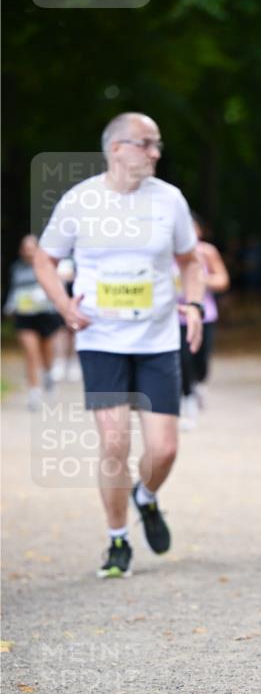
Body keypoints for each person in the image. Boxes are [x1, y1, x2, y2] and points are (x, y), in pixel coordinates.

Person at [33, 112, 205, 578]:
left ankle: (145, 497)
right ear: (115, 148)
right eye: (145, 144)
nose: (155, 152)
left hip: (156, 338)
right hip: (101, 339)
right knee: (113, 444)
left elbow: (191, 261)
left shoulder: (168, 200)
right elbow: (45, 260)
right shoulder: (80, 201)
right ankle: (117, 541)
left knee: (164, 449)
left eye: (157, 145)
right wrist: (65, 306)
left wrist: (191, 305)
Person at [177, 213, 230, 429]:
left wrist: (200, 279)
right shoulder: (170, 252)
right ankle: (186, 400)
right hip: (176, 316)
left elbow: (222, 280)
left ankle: (198, 384)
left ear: (200, 230)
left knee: (200, 360)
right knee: (182, 359)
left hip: (204, 314)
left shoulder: (206, 252)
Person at [4, 234, 63, 410]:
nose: (28, 252)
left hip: (46, 315)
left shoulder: (49, 266)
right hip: (25, 316)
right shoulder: (16, 268)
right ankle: (34, 394)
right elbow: (14, 290)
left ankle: (48, 374)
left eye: (31, 248)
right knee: (31, 353)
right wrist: (9, 306)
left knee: (47, 352)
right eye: (25, 248)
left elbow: (58, 289)